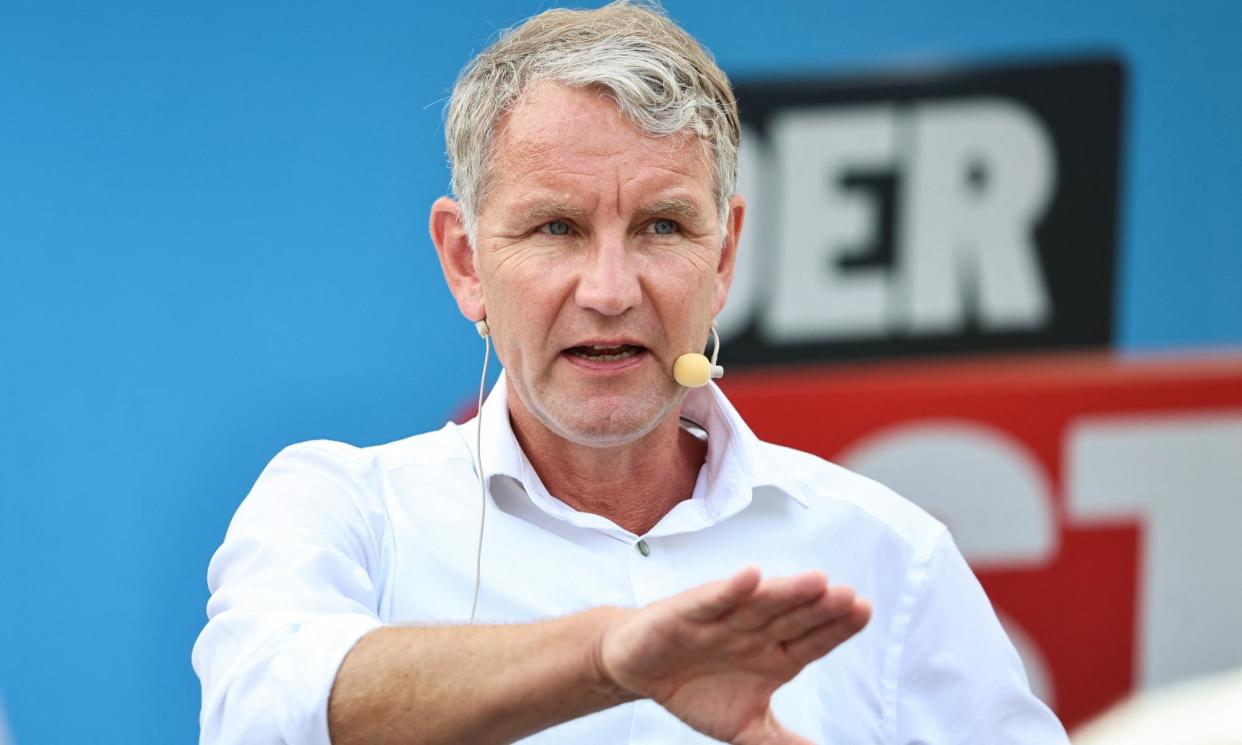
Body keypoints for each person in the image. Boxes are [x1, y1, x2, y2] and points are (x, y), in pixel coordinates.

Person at [192, 2, 1069, 743]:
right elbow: (267, 705)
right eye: (556, 229)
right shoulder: (351, 507)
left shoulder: (888, 554)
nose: (610, 292)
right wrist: (611, 654)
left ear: (723, 258)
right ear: (465, 263)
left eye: (660, 227)